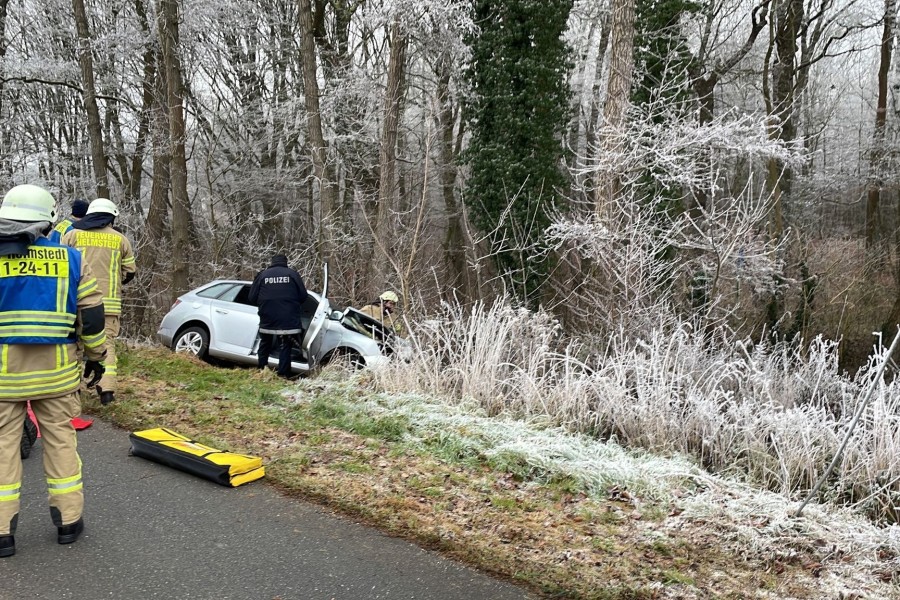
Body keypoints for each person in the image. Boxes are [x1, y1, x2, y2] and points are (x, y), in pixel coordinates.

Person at [0, 184, 107, 558]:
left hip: (2, 378)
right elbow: (91, 316)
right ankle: (68, 522)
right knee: (61, 442)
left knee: (2, 449)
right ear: (48, 220)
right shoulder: (72, 259)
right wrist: (97, 357)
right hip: (57, 375)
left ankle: (1, 533)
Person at [61, 198, 136, 405]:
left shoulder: (71, 235)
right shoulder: (120, 239)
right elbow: (130, 272)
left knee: (73, 346)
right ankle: (107, 392)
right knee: (107, 347)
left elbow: (60, 265)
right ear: (111, 217)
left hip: (75, 303)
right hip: (108, 306)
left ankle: (72, 392)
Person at [248, 253, 308, 378]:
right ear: (286, 262)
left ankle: (261, 370)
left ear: (272, 262)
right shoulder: (292, 275)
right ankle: (283, 374)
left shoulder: (262, 275)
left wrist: (264, 305)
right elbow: (303, 296)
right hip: (288, 318)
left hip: (267, 317)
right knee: (285, 345)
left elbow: (252, 297)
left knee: (265, 342)